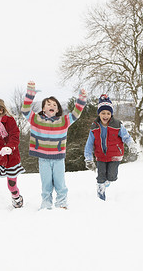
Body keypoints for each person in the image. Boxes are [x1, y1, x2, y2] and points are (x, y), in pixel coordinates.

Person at [21, 81, 87, 210]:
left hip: (58, 159)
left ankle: (61, 202)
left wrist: (81, 99)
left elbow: (76, 114)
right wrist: (30, 93)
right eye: (48, 104)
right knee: (46, 184)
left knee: (60, 183)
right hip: (43, 159)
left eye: (54, 105)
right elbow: (25, 110)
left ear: (57, 109)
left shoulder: (63, 121)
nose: (51, 106)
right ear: (43, 108)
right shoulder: (36, 120)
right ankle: (46, 203)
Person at [84, 94, 137, 201]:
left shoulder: (117, 125)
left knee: (112, 176)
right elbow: (89, 144)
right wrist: (88, 159)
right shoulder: (94, 127)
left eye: (108, 113)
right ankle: (100, 194)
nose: (105, 115)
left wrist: (132, 146)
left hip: (115, 156)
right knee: (101, 176)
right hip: (101, 156)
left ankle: (107, 182)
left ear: (111, 114)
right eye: (103, 113)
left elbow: (126, 137)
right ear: (99, 114)